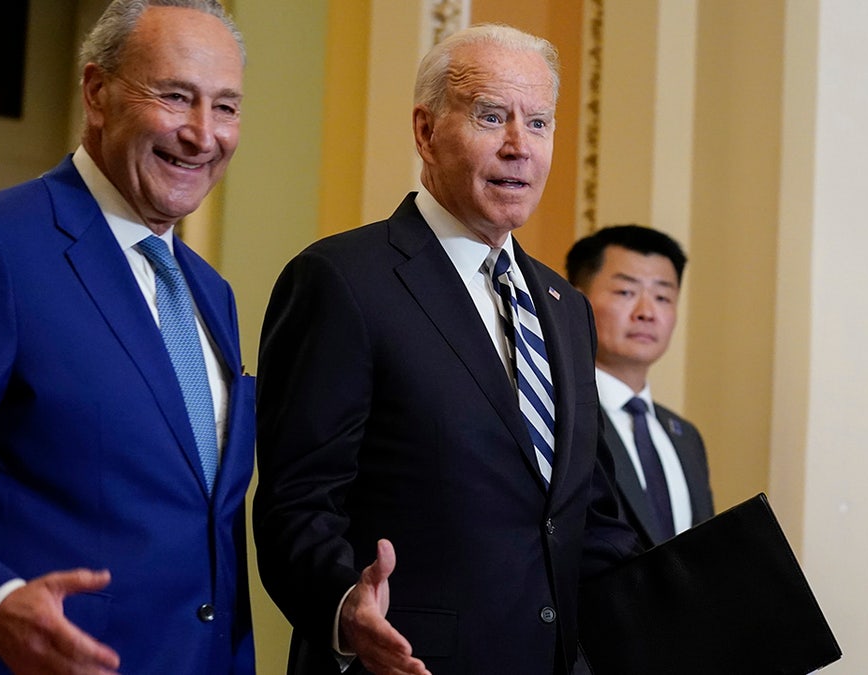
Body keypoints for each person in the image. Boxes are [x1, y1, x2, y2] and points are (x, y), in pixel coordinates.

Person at [0, 1, 255, 673]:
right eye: (176, 97)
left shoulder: (213, 294)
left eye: (227, 107)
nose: (202, 133)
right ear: (97, 93)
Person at [254, 24, 640, 675]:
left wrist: (711, 612)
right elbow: (297, 503)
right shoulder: (343, 279)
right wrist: (346, 604)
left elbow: (588, 517)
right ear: (425, 131)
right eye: (492, 117)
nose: (520, 146)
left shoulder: (564, 305)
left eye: (539, 123)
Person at [565, 225, 714, 547]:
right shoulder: (558, 417)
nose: (647, 313)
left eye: (662, 297)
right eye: (625, 293)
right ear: (576, 300)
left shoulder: (685, 437)